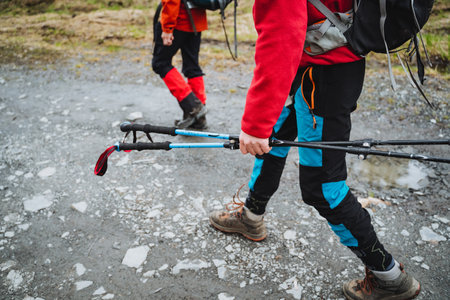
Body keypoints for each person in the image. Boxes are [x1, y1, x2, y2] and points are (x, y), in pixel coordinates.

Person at [209, 1, 421, 299]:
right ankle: (251, 216)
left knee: (323, 188)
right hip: (316, 61)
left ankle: (388, 275)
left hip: (324, 74)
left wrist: (255, 124)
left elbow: (281, 41)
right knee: (278, 134)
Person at [152, 0, 208, 129]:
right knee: (192, 66)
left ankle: (193, 107)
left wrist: (167, 27)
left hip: (178, 20)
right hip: (196, 20)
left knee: (160, 63)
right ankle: (198, 119)